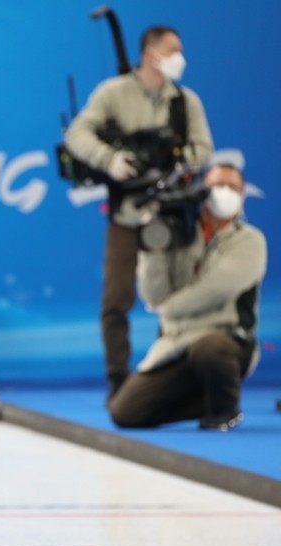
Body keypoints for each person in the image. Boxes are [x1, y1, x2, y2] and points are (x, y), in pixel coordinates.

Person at [65, 25, 214, 400]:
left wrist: (175, 166)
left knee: (178, 296)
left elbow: (203, 149)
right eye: (173, 50)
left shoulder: (185, 102)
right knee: (116, 298)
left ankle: (175, 373)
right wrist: (110, 159)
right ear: (151, 54)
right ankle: (118, 378)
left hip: (172, 213)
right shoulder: (113, 93)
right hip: (127, 212)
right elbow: (77, 135)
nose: (180, 57)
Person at [108, 162, 266, 431]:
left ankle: (225, 410)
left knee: (209, 350)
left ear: (243, 195)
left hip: (226, 341)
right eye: (218, 185)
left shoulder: (250, 240)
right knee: (125, 413)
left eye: (233, 187)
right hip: (175, 344)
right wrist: (154, 244)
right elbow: (153, 295)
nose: (225, 191)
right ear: (203, 190)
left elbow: (216, 289)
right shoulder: (179, 233)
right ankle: (206, 401)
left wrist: (168, 308)